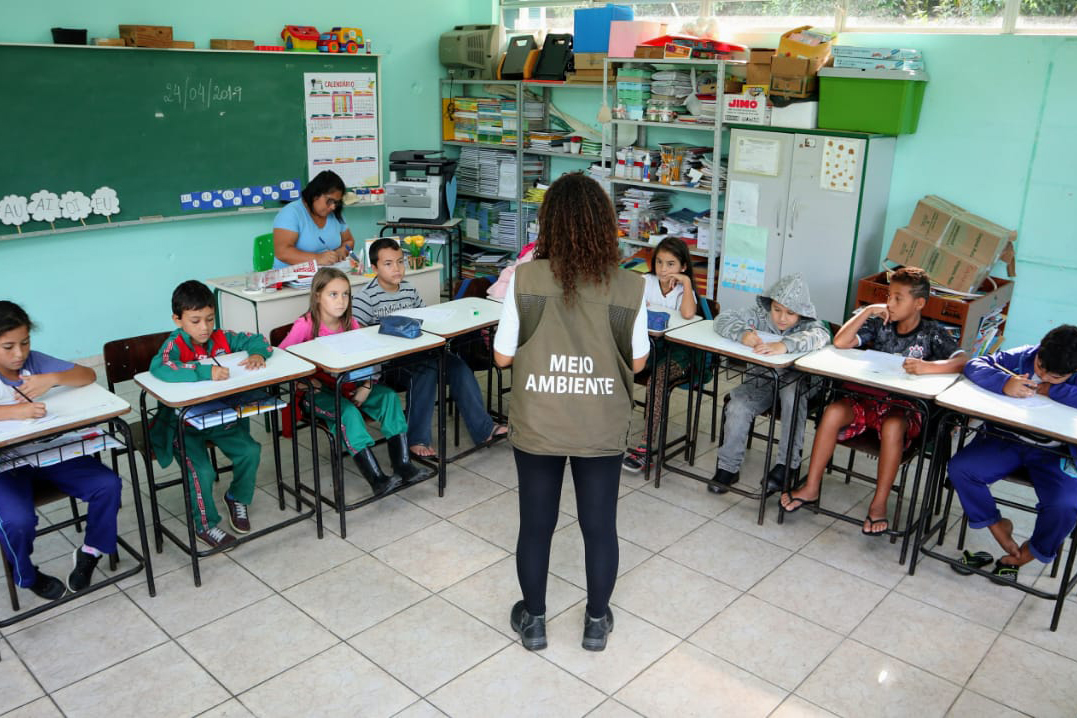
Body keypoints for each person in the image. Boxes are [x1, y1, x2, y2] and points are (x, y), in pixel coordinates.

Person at [493, 173, 649, 652]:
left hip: (539, 420)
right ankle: (596, 622)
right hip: (599, 424)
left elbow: (501, 357)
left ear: (549, 224)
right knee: (599, 526)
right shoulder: (629, 286)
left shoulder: (527, 278)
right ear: (605, 225)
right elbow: (639, 363)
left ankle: (535, 622)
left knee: (535, 525)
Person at [780, 267, 967, 535]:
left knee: (892, 425)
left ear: (919, 303)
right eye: (889, 296)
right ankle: (811, 486)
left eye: (898, 298)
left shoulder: (931, 333)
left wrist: (929, 367)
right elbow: (841, 341)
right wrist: (868, 311)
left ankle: (879, 503)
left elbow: (963, 362)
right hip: (867, 400)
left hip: (903, 410)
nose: (890, 303)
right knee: (832, 411)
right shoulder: (880, 323)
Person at [0, 301, 122, 598]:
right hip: (6, 467)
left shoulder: (35, 363)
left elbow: (87, 376)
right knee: (17, 521)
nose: (19, 354)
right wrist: (12, 413)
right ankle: (26, 575)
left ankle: (90, 551)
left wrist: (52, 378)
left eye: (25, 343)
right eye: (8, 347)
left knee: (108, 485)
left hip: (47, 453)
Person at [352, 238, 506, 458]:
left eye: (400, 261)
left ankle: (484, 430)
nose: (396, 268)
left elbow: (425, 320)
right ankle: (416, 439)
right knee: (426, 369)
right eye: (388, 264)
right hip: (388, 367)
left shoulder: (408, 289)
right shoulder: (365, 299)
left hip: (419, 353)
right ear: (374, 268)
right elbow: (358, 344)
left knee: (458, 366)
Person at [279, 267, 429, 492]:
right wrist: (302, 382)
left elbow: (370, 355)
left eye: (346, 294)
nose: (341, 301)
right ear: (317, 296)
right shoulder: (306, 325)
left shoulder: (350, 322)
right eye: (333, 294)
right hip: (317, 393)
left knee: (388, 398)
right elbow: (282, 358)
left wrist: (367, 386)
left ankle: (403, 465)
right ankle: (377, 479)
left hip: (348, 385)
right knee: (347, 412)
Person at [947, 325, 1077, 581]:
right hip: (1007, 439)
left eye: (1056, 377)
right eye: (1041, 368)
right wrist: (1004, 382)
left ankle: (1031, 551)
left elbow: (1052, 385)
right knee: (962, 469)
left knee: (1067, 504)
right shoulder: (1023, 356)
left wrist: (1052, 390)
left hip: (1057, 452)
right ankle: (997, 525)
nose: (1046, 376)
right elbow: (975, 365)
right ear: (1039, 350)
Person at [148, 280, 271, 549]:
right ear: (177, 320)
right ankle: (204, 524)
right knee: (202, 471)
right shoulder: (175, 344)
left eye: (209, 319)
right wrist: (204, 371)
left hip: (217, 417)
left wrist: (258, 354)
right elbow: (161, 368)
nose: (204, 328)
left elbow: (257, 339)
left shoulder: (221, 337)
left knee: (250, 451)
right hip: (182, 426)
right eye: (195, 321)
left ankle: (237, 497)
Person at [709, 273, 831, 495]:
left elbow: (822, 336)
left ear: (801, 312)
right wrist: (743, 334)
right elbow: (722, 319)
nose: (782, 318)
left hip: (797, 385)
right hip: (763, 381)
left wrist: (784, 345)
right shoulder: (758, 316)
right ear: (770, 305)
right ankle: (728, 467)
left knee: (791, 395)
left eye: (790, 313)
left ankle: (787, 466)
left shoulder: (810, 324)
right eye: (777, 310)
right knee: (737, 406)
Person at [622, 236, 698, 474]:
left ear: (683, 267)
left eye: (671, 264)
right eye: (660, 263)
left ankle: (645, 447)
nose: (664, 269)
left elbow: (687, 314)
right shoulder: (646, 281)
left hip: (678, 353)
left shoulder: (685, 291)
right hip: (649, 346)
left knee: (657, 382)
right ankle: (610, 427)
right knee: (616, 366)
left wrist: (686, 285)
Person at [272, 170, 356, 269]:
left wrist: (342, 251)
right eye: (330, 201)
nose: (333, 207)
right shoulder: (291, 214)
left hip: (325, 274)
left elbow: (349, 240)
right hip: (291, 279)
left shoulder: (334, 214)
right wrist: (318, 258)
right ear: (315, 194)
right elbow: (282, 252)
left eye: (337, 202)